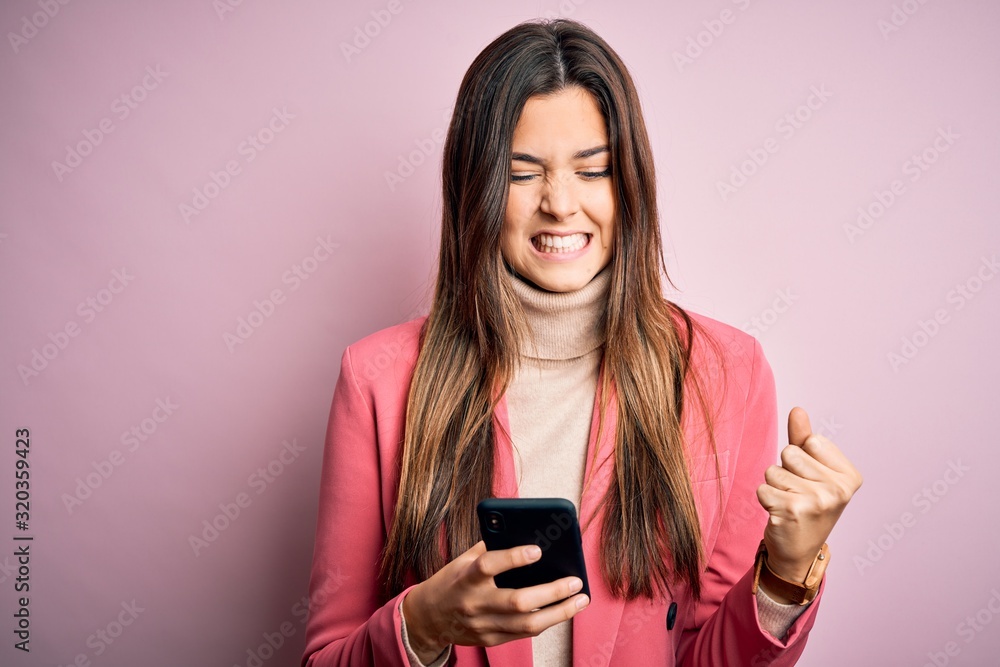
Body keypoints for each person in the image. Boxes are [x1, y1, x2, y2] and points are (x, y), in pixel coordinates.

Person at [301, 17, 863, 667]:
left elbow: (709, 656)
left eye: (592, 170)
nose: (560, 204)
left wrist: (788, 568)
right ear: (474, 188)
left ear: (629, 185)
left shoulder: (726, 373)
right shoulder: (377, 379)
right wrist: (421, 624)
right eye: (521, 174)